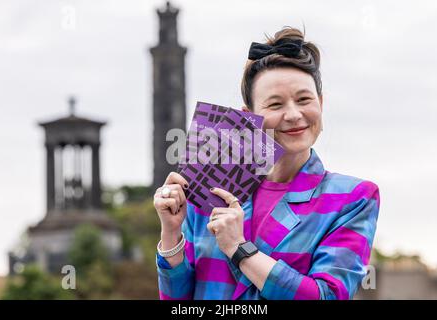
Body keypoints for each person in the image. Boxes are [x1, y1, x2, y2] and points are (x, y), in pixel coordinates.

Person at [153, 26, 380, 300]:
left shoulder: (352, 198)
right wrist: (171, 232)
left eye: (304, 99)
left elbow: (327, 296)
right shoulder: (211, 186)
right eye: (275, 104)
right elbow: (178, 300)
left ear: (321, 103)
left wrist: (239, 248)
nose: (294, 115)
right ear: (250, 116)